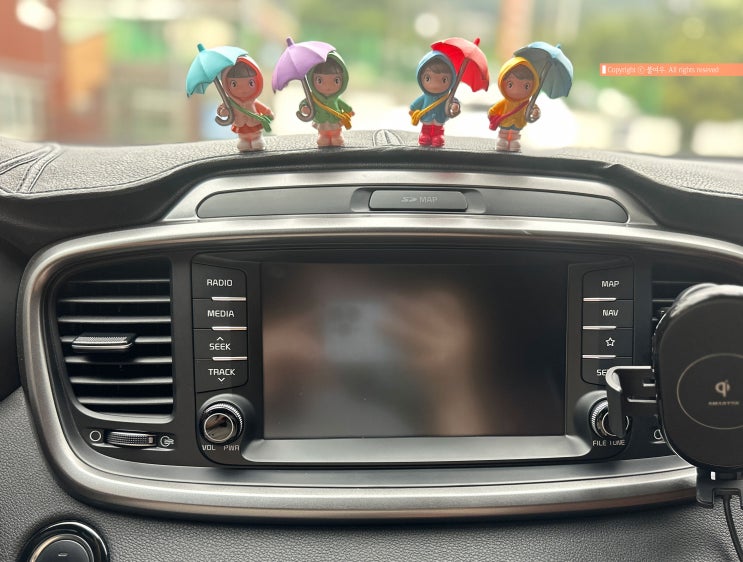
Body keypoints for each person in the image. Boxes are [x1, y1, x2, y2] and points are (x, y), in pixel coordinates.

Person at [217, 55, 274, 152]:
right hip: (240, 124)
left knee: (256, 136)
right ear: (226, 85)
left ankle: (256, 139)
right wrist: (224, 112)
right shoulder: (230, 102)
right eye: (234, 84)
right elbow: (220, 110)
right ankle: (244, 140)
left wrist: (268, 113)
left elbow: (265, 110)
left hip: (254, 122)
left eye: (250, 83)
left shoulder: (252, 102)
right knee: (243, 137)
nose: (243, 90)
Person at [299, 52, 353, 147]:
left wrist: (349, 112)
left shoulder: (335, 99)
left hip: (335, 120)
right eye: (320, 80)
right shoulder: (313, 97)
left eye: (336, 80)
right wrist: (304, 108)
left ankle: (336, 136)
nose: (328, 86)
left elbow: (346, 108)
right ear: (311, 80)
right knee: (323, 134)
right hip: (321, 120)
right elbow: (304, 103)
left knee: (336, 134)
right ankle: (323, 136)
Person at [487, 57, 541, 152]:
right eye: (510, 84)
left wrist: (535, 112)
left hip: (518, 123)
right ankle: (502, 139)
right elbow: (494, 109)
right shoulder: (505, 102)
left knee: (515, 133)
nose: (517, 91)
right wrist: (492, 114)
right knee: (504, 132)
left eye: (526, 86)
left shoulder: (527, 103)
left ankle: (514, 141)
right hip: (505, 122)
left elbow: (534, 109)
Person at [409, 51, 460, 147]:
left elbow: (454, 102)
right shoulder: (425, 96)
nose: (435, 85)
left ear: (452, 80)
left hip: (440, 120)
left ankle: (438, 136)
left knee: (438, 130)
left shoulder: (447, 97)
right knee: (426, 129)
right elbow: (414, 106)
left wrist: (455, 107)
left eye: (444, 80)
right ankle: (425, 134)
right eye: (427, 78)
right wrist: (413, 111)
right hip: (426, 119)